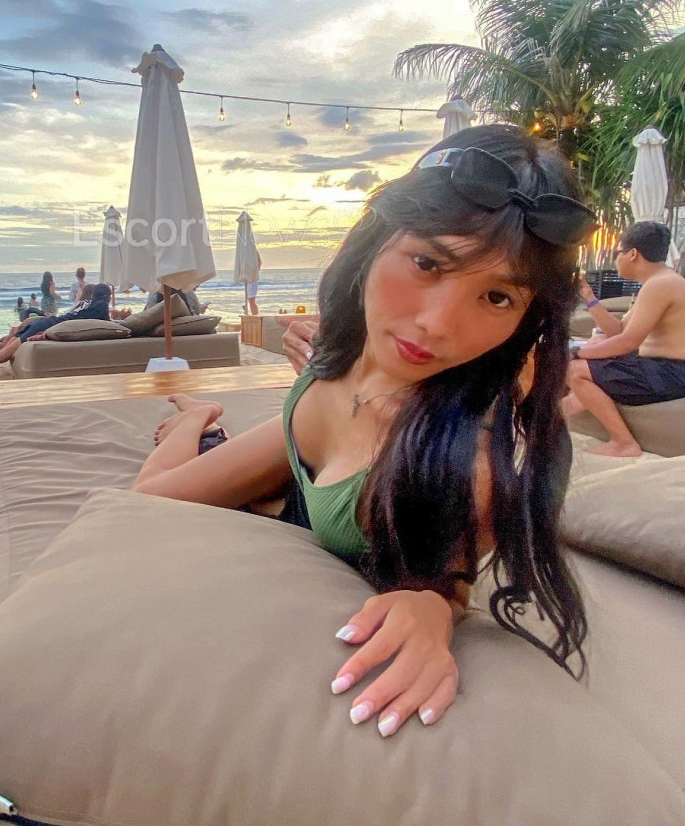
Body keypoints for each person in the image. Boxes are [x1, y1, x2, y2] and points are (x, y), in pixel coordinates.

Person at [132, 125, 595, 736]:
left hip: (319, 466)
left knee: (154, 500)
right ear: (376, 239)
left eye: (497, 298)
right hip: (307, 438)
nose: (437, 324)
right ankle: (194, 419)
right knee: (145, 502)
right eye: (427, 262)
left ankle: (196, 420)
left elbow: (445, 577)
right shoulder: (350, 342)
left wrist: (433, 608)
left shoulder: (467, 459)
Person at [564, 222, 685, 458]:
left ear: (633, 254)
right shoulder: (659, 282)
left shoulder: (661, 284)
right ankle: (552, 415)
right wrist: (589, 297)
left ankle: (624, 443)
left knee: (575, 370)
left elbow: (628, 342)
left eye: (618, 253)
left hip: (684, 374)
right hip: (674, 370)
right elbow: (617, 331)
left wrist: (575, 352)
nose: (616, 260)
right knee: (595, 348)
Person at [0, 283, 112, 386]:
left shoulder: (84, 303)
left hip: (41, 322)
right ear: (108, 297)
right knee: (1, 355)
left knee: (1, 348)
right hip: (45, 326)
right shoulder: (101, 306)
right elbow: (104, 325)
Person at [245, 252, 263, 316]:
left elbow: (258, 265)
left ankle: (255, 315)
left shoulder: (256, 262)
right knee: (250, 300)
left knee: (251, 300)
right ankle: (254, 315)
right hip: (249, 281)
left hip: (252, 281)